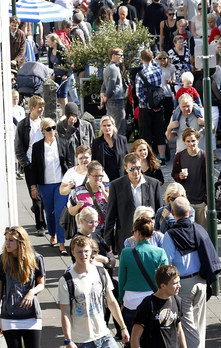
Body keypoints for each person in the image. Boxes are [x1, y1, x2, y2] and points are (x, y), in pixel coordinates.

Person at [162, 197, 221, 348]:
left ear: (172, 213)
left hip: (182, 285)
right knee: (199, 325)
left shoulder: (170, 235)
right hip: (201, 282)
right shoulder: (199, 229)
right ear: (190, 212)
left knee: (188, 328)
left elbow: (167, 265)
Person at [60, 235, 129, 348]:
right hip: (82, 341)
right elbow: (65, 313)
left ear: (91, 251)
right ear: (72, 253)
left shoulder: (101, 272)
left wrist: (123, 327)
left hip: (104, 335)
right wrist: (68, 340)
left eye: (86, 251)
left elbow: (111, 302)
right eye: (79, 252)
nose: (84, 255)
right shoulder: (66, 280)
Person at [117, 216, 169, 334]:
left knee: (132, 339)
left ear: (137, 232)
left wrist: (121, 300)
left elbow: (122, 280)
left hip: (131, 301)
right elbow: (166, 279)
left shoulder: (126, 253)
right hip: (153, 300)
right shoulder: (160, 252)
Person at [104, 153, 163, 255]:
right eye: (132, 169)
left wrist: (159, 233)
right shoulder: (116, 186)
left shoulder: (153, 184)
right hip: (126, 234)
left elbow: (159, 212)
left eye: (138, 168)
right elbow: (111, 215)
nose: (136, 172)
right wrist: (108, 240)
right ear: (126, 169)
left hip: (149, 235)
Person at [29, 116, 71, 254]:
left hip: (61, 183)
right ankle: (52, 234)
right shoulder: (37, 147)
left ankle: (61, 243)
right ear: (43, 131)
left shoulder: (63, 143)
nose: (52, 131)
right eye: (48, 129)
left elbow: (70, 163)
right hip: (45, 184)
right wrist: (33, 187)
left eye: (54, 128)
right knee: (50, 212)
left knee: (60, 213)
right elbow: (34, 169)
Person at [0, 226, 46, 348]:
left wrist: (32, 292)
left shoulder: (36, 259)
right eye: (6, 239)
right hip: (9, 316)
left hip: (31, 316)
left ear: (21, 242)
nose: (7, 243)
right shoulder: (2, 260)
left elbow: (41, 284)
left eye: (11, 240)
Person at [130, 264, 186, 348]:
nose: (179, 286)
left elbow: (179, 331)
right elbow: (135, 338)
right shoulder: (147, 304)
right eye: (175, 283)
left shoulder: (177, 300)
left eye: (179, 282)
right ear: (162, 286)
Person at [91, 115, 129, 181]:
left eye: (109, 125)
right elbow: (93, 161)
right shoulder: (96, 142)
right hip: (104, 178)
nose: (107, 128)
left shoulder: (122, 140)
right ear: (101, 127)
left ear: (113, 126)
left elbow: (127, 158)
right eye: (104, 126)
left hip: (120, 177)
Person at [100, 47, 127, 136]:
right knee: (119, 129)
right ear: (113, 55)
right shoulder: (114, 68)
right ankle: (119, 148)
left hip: (111, 102)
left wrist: (103, 98)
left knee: (112, 128)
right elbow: (111, 86)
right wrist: (106, 98)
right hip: (116, 102)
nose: (122, 57)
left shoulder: (109, 67)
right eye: (120, 55)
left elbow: (104, 85)